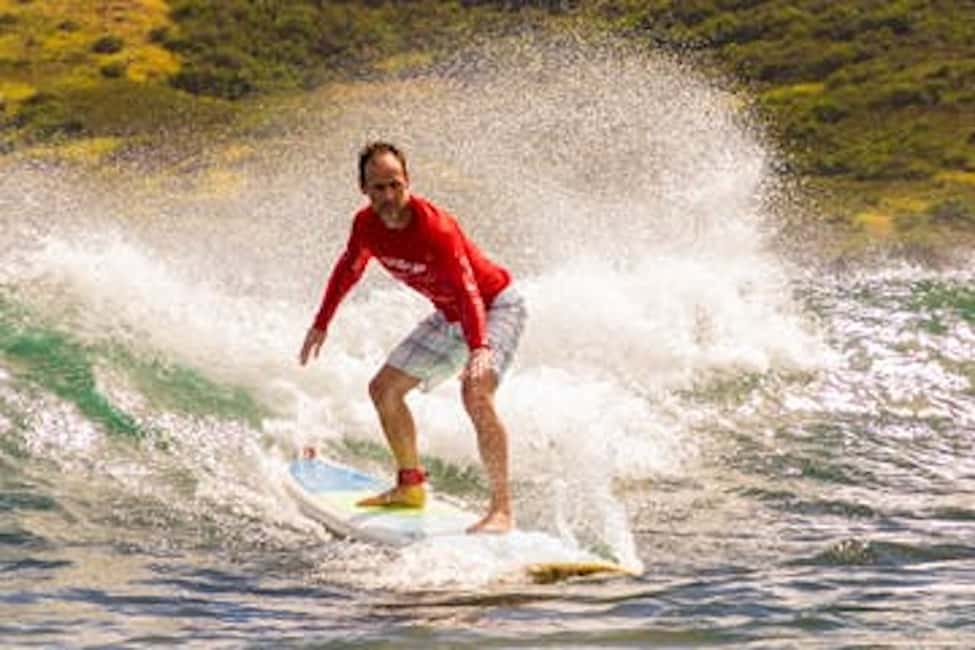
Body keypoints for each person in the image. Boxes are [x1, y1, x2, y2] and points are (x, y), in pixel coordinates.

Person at [298, 142, 526, 534]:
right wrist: (322, 322)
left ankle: (502, 510)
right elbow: (350, 268)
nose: (389, 196)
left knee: (475, 392)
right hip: (450, 314)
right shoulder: (365, 225)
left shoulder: (436, 228)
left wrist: (479, 347)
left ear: (408, 182)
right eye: (378, 187)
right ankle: (410, 486)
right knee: (384, 390)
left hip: (494, 307)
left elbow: (468, 289)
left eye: (396, 185)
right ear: (363, 188)